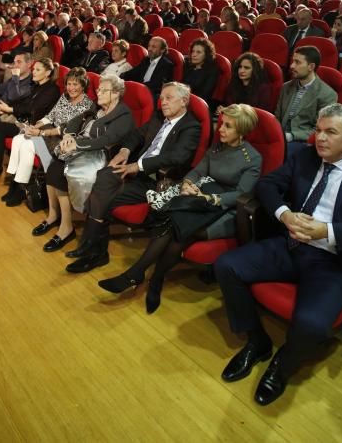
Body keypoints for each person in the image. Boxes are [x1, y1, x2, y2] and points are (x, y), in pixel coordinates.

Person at [215, 103, 342, 406]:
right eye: (318, 130)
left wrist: (327, 231)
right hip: (290, 244)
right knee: (226, 266)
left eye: (331, 132)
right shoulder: (305, 155)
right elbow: (267, 184)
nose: (321, 138)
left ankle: (283, 363)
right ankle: (257, 341)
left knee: (312, 324)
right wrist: (285, 214)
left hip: (332, 260)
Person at [98, 104, 261, 312]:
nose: (220, 129)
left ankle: (145, 277)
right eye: (221, 124)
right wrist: (187, 183)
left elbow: (241, 194)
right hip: (198, 199)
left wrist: (209, 198)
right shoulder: (218, 146)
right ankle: (148, 278)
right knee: (173, 225)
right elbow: (198, 171)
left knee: (177, 231)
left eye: (228, 126)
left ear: (242, 131)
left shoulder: (252, 158)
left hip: (225, 209)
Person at [65, 82, 201, 273]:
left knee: (103, 197)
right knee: (104, 177)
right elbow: (136, 134)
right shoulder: (158, 116)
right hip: (135, 171)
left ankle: (93, 250)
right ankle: (94, 250)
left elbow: (177, 157)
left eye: (168, 98)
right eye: (161, 98)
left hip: (157, 180)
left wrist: (138, 166)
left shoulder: (191, 126)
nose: (163, 102)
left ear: (184, 100)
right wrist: (124, 151)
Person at [38, 74, 135, 252]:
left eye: (102, 90)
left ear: (115, 93)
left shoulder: (124, 114)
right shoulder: (98, 107)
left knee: (58, 169)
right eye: (98, 89)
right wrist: (69, 135)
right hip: (83, 148)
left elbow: (107, 139)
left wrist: (77, 144)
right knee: (53, 168)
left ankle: (65, 228)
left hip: (101, 154)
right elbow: (75, 121)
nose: (98, 92)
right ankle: (54, 217)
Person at [3, 67, 94, 206]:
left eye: (75, 84)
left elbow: (68, 130)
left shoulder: (87, 105)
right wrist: (36, 126)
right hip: (47, 133)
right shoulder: (64, 97)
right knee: (18, 139)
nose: (71, 88)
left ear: (83, 85)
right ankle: (16, 184)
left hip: (61, 141)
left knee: (27, 144)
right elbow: (50, 116)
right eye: (69, 84)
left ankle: (20, 188)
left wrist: (40, 133)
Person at [0, 58, 60, 183]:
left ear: (47, 73)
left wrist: (9, 109)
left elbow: (32, 109)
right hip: (23, 120)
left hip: (35, 127)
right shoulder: (36, 86)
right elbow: (22, 103)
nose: (33, 72)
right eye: (34, 69)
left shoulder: (52, 90)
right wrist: (5, 110)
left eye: (38, 70)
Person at [275, 46, 337, 155]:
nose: (292, 66)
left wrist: (292, 135)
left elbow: (321, 130)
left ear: (311, 66)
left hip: (302, 142)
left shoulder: (327, 94)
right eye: (293, 61)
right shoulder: (286, 87)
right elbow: (277, 117)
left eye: (297, 62)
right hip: (280, 136)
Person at [121, 36, 173, 101]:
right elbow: (134, 72)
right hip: (139, 90)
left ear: (162, 50)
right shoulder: (146, 60)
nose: (150, 49)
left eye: (153, 47)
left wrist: (136, 87)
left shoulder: (166, 65)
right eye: (149, 46)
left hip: (152, 94)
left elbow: (156, 84)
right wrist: (121, 77)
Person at [182, 38, 218, 108]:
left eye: (198, 52)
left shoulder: (212, 71)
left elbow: (204, 95)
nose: (194, 55)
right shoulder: (188, 66)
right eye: (193, 51)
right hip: (183, 101)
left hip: (199, 105)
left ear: (206, 55)